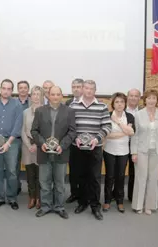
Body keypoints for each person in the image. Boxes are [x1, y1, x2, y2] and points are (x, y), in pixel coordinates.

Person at [31, 86, 76, 219]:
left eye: (58, 94)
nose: (55, 97)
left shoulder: (69, 111)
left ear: (61, 96)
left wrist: (62, 145)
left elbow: (72, 131)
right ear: (48, 96)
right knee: (44, 182)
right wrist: (42, 143)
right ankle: (45, 206)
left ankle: (59, 207)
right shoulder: (40, 111)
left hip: (61, 152)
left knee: (59, 182)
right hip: (44, 152)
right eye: (53, 94)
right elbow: (34, 131)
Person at [71, 80, 112, 221]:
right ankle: (82, 202)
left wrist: (97, 139)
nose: (88, 91)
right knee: (81, 176)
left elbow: (107, 126)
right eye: (86, 88)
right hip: (78, 148)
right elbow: (70, 126)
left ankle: (95, 206)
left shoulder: (102, 106)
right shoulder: (73, 105)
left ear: (95, 90)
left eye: (91, 89)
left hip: (95, 148)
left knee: (95, 178)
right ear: (82, 89)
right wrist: (75, 137)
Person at [0, 79, 23, 210]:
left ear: (11, 91)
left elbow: (18, 125)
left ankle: (12, 198)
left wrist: (8, 143)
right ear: (0, 89)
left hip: (12, 142)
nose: (6, 91)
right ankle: (0, 198)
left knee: (12, 171)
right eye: (4, 88)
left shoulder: (17, 105)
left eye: (9, 89)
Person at [131, 89, 158, 215]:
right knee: (141, 177)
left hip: (156, 151)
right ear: (144, 100)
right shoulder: (139, 114)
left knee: (153, 178)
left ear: (157, 100)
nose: (151, 100)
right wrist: (134, 152)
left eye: (154, 98)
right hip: (141, 150)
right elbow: (135, 135)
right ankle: (138, 205)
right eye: (149, 98)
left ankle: (150, 205)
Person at [103, 93, 135, 213]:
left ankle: (120, 201)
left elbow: (131, 132)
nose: (119, 104)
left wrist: (117, 122)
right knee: (109, 176)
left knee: (120, 177)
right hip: (109, 150)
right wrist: (124, 131)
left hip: (124, 151)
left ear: (125, 103)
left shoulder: (130, 116)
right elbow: (107, 134)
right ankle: (106, 200)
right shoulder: (107, 115)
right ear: (113, 104)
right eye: (117, 102)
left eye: (122, 101)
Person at [21, 86, 44, 209]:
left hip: (40, 147)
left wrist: (36, 144)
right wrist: (29, 145)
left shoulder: (46, 110)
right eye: (33, 94)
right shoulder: (25, 112)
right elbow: (23, 130)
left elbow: (46, 131)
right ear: (31, 96)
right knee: (30, 174)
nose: (35, 96)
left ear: (42, 96)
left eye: (38, 94)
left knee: (39, 175)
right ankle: (32, 198)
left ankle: (39, 198)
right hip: (27, 147)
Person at [65, 78, 84, 204]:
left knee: (84, 170)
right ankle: (74, 193)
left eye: (78, 86)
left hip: (85, 142)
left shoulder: (88, 102)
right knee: (73, 170)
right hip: (71, 142)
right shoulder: (68, 103)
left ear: (83, 88)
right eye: (74, 87)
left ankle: (82, 195)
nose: (76, 89)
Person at [125, 88, 141, 201]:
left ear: (139, 98)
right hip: (121, 145)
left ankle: (132, 196)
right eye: (131, 95)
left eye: (136, 96)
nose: (133, 98)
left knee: (134, 173)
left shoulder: (143, 113)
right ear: (127, 97)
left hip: (137, 147)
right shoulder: (119, 110)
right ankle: (116, 194)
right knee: (118, 173)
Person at [16, 80, 31, 194]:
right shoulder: (13, 102)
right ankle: (16, 186)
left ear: (28, 89)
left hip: (28, 138)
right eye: (20, 87)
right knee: (15, 164)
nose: (23, 89)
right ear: (17, 90)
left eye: (25, 87)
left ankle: (32, 188)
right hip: (16, 137)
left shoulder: (32, 102)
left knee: (30, 164)